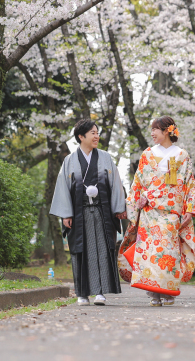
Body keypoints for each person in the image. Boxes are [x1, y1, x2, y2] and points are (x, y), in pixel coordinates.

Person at [118, 116, 195, 307]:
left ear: (166, 131)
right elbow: (138, 182)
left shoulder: (182, 155)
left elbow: (189, 183)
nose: (152, 133)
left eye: (155, 129)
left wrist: (189, 208)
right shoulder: (147, 154)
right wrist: (133, 204)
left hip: (171, 211)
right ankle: (153, 292)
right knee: (150, 252)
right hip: (149, 211)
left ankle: (168, 290)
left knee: (168, 251)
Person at [50, 119, 127, 306]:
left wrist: (119, 208)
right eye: (92, 133)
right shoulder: (69, 161)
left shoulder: (106, 158)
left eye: (97, 132)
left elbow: (115, 183)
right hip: (79, 213)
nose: (96, 136)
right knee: (80, 251)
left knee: (102, 250)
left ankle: (100, 292)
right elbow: (63, 188)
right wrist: (66, 214)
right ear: (81, 136)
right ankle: (82, 294)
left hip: (102, 212)